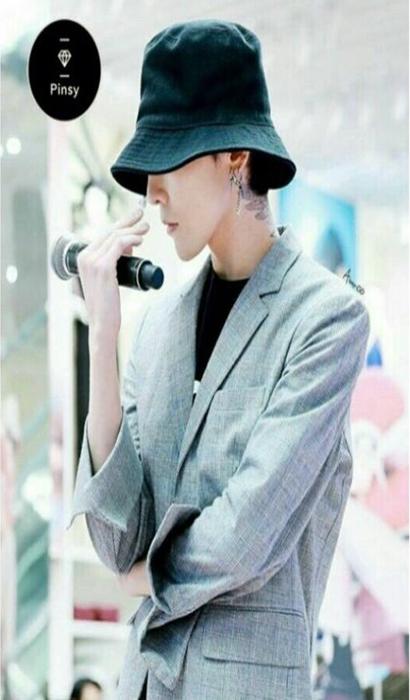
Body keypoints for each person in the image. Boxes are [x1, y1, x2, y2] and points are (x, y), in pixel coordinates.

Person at [66, 19, 371, 699]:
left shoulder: (326, 319)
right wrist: (103, 341)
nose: (152, 190)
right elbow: (117, 542)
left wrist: (149, 577)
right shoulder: (160, 327)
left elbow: (249, 533)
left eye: (169, 158)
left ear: (235, 157)